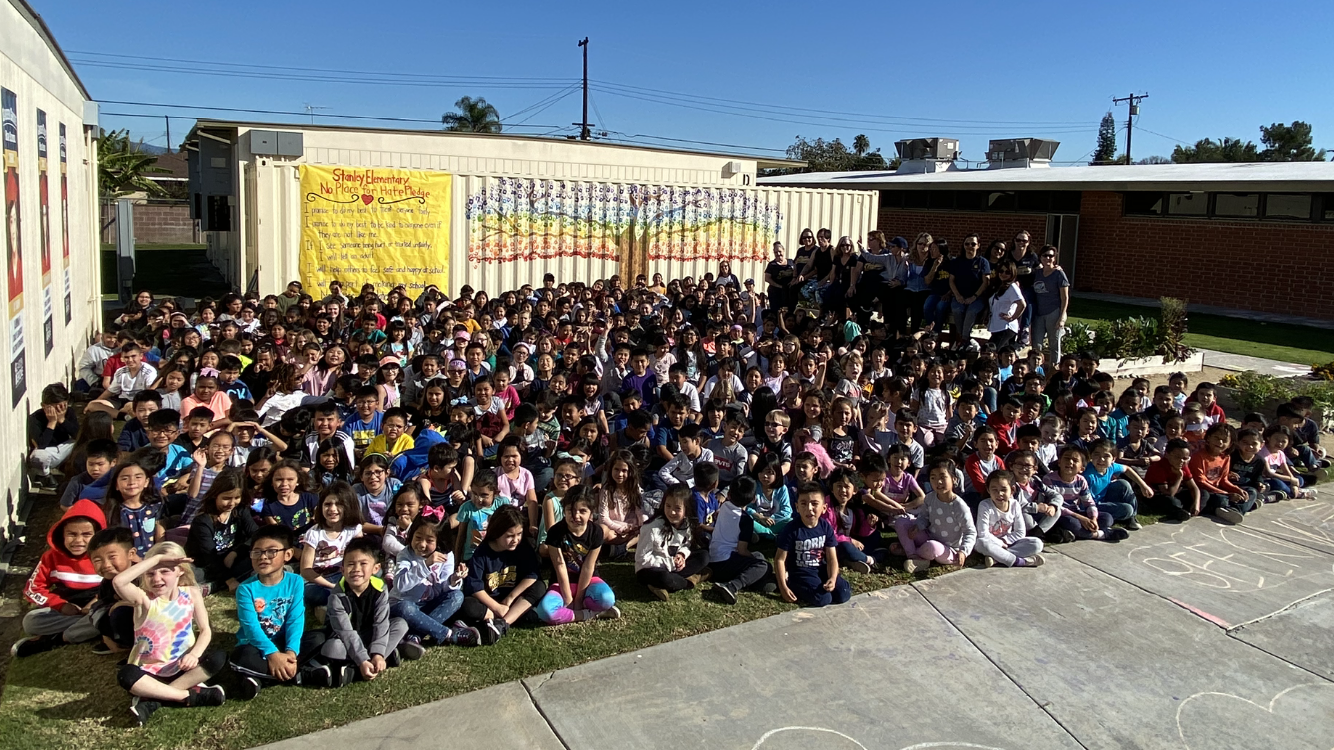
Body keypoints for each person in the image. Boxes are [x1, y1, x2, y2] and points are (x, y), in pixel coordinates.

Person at [113, 541, 227, 725]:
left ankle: (152, 701)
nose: (156, 578)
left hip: (182, 667)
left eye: (165, 571)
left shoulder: (191, 593)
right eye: (151, 573)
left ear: (180, 571)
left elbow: (205, 630)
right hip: (149, 673)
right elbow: (118, 581)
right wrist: (157, 558)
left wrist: (194, 655)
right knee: (126, 675)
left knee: (218, 657)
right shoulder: (143, 599)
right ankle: (187, 696)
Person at [230, 525, 327, 699]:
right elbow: (251, 628)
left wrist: (290, 652)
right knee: (240, 656)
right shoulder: (245, 589)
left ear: (288, 555)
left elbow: (295, 619)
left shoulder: (295, 581)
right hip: (257, 646)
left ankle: (260, 678)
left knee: (319, 638)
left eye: (271, 551)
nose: (263, 557)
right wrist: (272, 655)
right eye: (257, 552)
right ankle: (300, 675)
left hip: (283, 642)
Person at [12, 499, 107, 657]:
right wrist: (61, 605)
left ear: (97, 535)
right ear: (62, 533)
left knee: (106, 618)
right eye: (71, 534)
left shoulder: (105, 556)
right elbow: (32, 588)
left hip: (99, 604)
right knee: (30, 622)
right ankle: (87, 627)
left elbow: (117, 584)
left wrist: (96, 602)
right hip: (68, 606)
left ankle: (57, 639)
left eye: (86, 535)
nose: (78, 541)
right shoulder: (51, 557)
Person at [318, 537, 415, 688]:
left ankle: (376, 659)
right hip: (345, 640)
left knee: (400, 625)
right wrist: (363, 659)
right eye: (350, 564)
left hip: (368, 635)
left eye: (363, 564)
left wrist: (377, 653)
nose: (356, 569)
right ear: (342, 570)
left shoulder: (380, 588)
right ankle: (378, 660)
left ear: (375, 569)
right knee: (332, 648)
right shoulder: (337, 596)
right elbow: (346, 633)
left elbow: (381, 623)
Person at [389, 511, 481, 648]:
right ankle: (449, 634)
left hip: (428, 605)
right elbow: (400, 585)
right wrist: (425, 565)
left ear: (439, 541)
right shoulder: (405, 554)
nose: (421, 544)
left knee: (457, 595)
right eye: (418, 537)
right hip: (404, 605)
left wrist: (454, 579)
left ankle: (415, 635)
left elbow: (443, 587)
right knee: (406, 607)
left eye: (429, 541)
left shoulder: (446, 556)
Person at [460, 505, 547, 645]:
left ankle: (502, 624)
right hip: (490, 601)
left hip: (512, 598)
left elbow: (532, 575)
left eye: (519, 534)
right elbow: (475, 587)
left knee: (539, 587)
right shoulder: (482, 553)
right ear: (497, 532)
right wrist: (497, 607)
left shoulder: (523, 547)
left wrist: (509, 600)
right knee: (467, 605)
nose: (515, 540)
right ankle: (517, 615)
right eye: (509, 536)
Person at [537, 486, 621, 624]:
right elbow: (560, 566)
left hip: (588, 582)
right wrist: (568, 599)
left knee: (607, 599)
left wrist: (579, 599)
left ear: (591, 513)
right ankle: (589, 614)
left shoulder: (596, 532)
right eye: (571, 510)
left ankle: (574, 612)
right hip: (562, 583)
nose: (576, 516)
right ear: (564, 509)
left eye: (582, 511)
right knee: (544, 611)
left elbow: (588, 567)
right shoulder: (555, 533)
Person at [774, 482, 851, 607]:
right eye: (803, 504)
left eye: (814, 504)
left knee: (844, 593)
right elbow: (779, 560)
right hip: (801, 572)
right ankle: (792, 584)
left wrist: (832, 577)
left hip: (820, 568)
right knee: (823, 599)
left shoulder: (825, 527)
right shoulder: (791, 530)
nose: (809, 508)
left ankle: (825, 583)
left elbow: (832, 558)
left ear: (824, 508)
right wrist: (783, 587)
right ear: (797, 507)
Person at [896, 459, 976, 573]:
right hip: (929, 537)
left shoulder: (959, 506)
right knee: (901, 522)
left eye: (942, 477)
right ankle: (913, 555)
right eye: (933, 478)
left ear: (954, 479)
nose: (938, 482)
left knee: (932, 547)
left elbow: (970, 531)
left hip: (949, 550)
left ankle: (910, 551)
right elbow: (924, 517)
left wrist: (963, 551)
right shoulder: (929, 498)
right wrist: (917, 526)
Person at [635, 485, 709, 601]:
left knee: (704, 556)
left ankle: (666, 584)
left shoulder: (686, 524)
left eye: (677, 508)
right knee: (665, 578)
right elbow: (642, 559)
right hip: (651, 569)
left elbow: (686, 544)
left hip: (674, 566)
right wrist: (670, 563)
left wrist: (682, 555)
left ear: (686, 510)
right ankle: (688, 581)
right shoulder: (651, 528)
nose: (671, 512)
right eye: (668, 506)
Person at [974, 470, 1045, 568]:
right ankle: (1020, 561)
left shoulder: (1015, 504)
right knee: (980, 543)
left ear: (1012, 490)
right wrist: (999, 543)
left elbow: (1020, 532)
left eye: (1003, 489)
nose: (999, 494)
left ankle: (997, 558)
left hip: (1009, 543)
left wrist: (1004, 541)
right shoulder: (985, 505)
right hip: (991, 542)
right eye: (994, 489)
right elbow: (982, 533)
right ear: (988, 490)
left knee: (1037, 544)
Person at [28, 383, 79, 490]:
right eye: (56, 408)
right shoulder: (35, 418)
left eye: (63, 406)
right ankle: (44, 476)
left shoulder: (69, 412)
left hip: (65, 447)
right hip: (48, 451)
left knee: (84, 441)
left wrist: (62, 420)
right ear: (43, 406)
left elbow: (77, 434)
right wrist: (52, 422)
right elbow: (41, 444)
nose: (60, 410)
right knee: (38, 456)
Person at [1029, 245, 1070, 361]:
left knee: (1054, 344)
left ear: (1055, 258)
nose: (1048, 258)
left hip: (1053, 312)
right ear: (1040, 257)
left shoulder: (1059, 274)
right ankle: (1036, 370)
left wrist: (1062, 317)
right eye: (1045, 256)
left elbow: (1065, 297)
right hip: (1038, 313)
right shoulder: (1037, 273)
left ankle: (1054, 369)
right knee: (1036, 345)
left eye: (1051, 256)